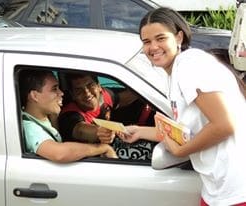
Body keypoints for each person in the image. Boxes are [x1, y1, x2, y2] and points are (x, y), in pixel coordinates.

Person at [119, 7, 246, 206]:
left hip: (235, 190)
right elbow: (187, 132)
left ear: (179, 37)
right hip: (218, 189)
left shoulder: (189, 67)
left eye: (161, 38)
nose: (153, 47)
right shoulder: (180, 68)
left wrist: (181, 151)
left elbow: (224, 126)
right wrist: (141, 132)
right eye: (146, 42)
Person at [18, 69, 117, 163]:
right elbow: (59, 153)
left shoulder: (43, 118)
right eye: (54, 89)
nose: (61, 93)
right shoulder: (30, 128)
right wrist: (102, 148)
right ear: (35, 96)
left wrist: (54, 117)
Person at [58, 73, 155, 160]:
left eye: (90, 85)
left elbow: (125, 98)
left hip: (115, 146)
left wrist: (148, 89)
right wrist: (100, 131)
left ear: (99, 87)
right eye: (78, 90)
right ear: (72, 95)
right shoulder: (69, 115)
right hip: (93, 160)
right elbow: (80, 130)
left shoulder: (105, 96)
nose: (87, 93)